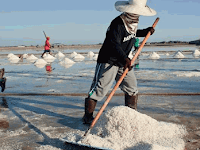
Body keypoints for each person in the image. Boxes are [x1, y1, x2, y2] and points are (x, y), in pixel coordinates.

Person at [82, 0, 157, 124]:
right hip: (109, 60)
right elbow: (114, 43)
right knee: (99, 90)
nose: (136, 14)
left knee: (132, 88)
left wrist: (145, 32)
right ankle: (88, 117)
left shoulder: (133, 22)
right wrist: (125, 58)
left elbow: (132, 34)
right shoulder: (118, 23)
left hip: (124, 61)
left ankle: (131, 116)